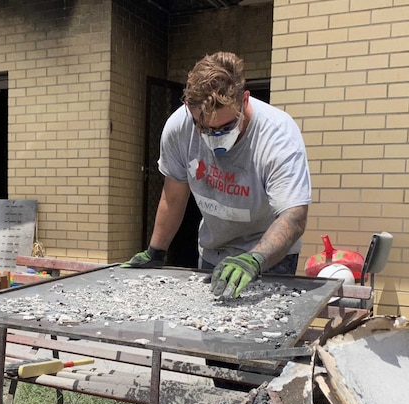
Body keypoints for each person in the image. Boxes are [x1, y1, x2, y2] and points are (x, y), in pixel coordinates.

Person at [122, 51, 311, 300]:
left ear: (244, 100)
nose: (215, 137)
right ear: (189, 108)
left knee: (263, 331)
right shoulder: (179, 128)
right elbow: (174, 197)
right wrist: (156, 251)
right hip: (214, 252)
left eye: (226, 127)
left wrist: (255, 259)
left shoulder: (278, 136)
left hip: (268, 256)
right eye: (204, 128)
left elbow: (294, 217)